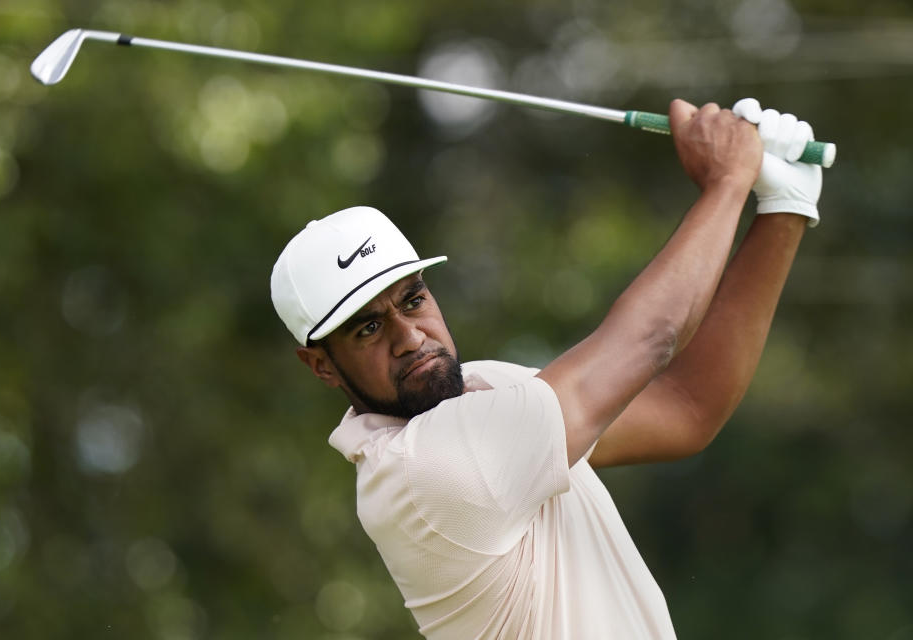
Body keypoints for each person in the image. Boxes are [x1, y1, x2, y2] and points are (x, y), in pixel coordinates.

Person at [269, 98, 823, 639]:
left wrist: (784, 209)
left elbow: (686, 409)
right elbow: (652, 336)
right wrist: (728, 182)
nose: (409, 337)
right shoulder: (423, 470)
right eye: (368, 328)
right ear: (320, 365)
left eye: (412, 299)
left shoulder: (491, 392)